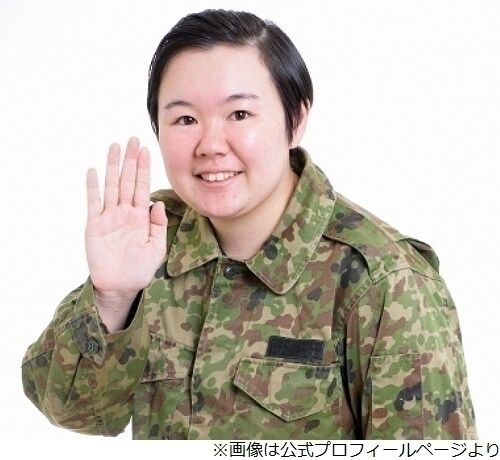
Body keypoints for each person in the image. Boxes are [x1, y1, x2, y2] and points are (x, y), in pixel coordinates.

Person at [21, 9, 476, 440]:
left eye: (239, 114)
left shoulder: (384, 281)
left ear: (296, 120)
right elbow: (75, 412)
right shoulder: (152, 236)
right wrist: (114, 298)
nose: (210, 145)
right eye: (185, 119)